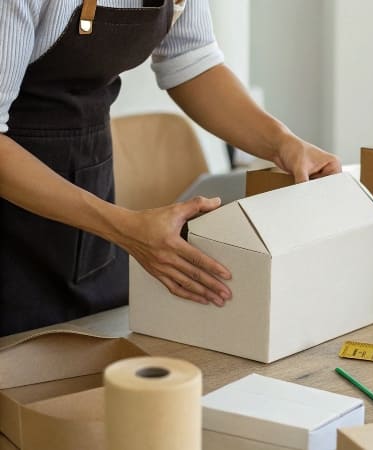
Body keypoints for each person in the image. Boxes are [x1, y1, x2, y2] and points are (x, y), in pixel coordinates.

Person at [0, 0, 341, 336]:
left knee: (79, 351)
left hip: (87, 184)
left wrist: (283, 143)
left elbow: (191, 59)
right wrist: (123, 227)